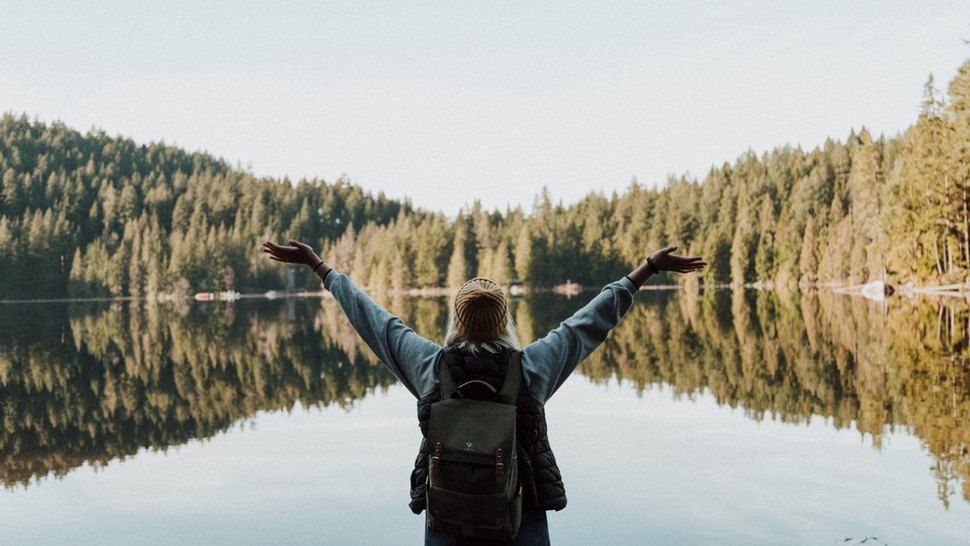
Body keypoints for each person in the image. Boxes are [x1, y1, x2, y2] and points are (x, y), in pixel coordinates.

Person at [262, 239, 705, 545]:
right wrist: (647, 268)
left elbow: (373, 320)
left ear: (456, 322)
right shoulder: (532, 367)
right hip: (520, 512)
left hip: (449, 514)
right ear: (505, 322)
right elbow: (591, 321)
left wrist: (320, 267)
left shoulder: (431, 368)